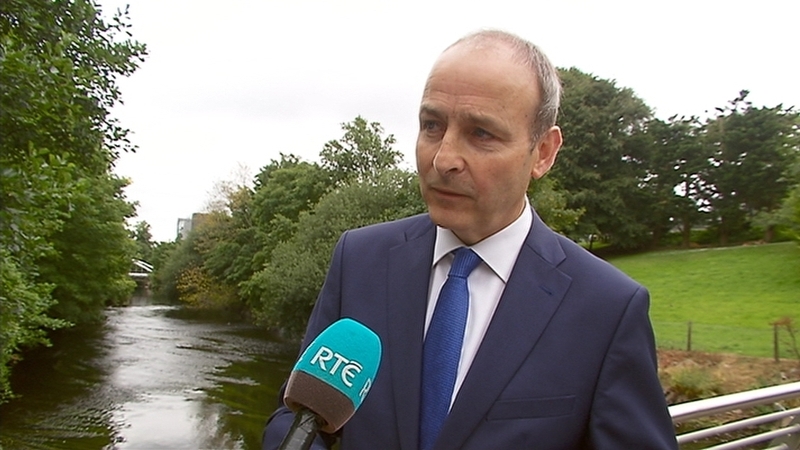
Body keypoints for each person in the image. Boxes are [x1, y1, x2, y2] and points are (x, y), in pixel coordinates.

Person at [262, 30, 678, 450]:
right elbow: (298, 417)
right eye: (432, 125)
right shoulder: (360, 259)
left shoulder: (607, 308)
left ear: (543, 152)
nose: (443, 159)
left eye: (481, 133)